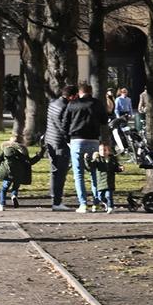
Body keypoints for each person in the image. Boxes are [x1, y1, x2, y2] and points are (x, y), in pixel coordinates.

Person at [61, 82, 107, 212]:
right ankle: (96, 202)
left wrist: (67, 139)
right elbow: (104, 120)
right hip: (93, 141)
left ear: (79, 92)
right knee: (94, 173)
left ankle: (83, 204)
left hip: (77, 140)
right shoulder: (97, 103)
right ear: (91, 91)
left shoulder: (72, 104)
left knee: (79, 174)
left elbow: (65, 124)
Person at [44, 86, 76, 211]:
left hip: (50, 140)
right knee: (61, 173)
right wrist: (70, 140)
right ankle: (57, 201)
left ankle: (54, 198)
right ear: (71, 96)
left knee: (54, 171)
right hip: (60, 144)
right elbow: (63, 127)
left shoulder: (53, 103)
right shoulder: (65, 107)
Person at [0, 135, 43, 211]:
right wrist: (38, 156)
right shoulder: (22, 152)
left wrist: (2, 162)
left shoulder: (5, 150)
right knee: (15, 186)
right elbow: (30, 162)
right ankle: (14, 195)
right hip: (19, 173)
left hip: (8, 173)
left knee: (4, 189)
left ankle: (2, 205)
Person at [85, 144, 123, 213]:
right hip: (100, 182)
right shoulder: (98, 160)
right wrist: (87, 159)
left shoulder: (112, 160)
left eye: (105, 150)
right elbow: (90, 166)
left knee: (109, 195)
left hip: (109, 182)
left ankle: (110, 207)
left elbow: (116, 168)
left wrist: (120, 169)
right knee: (100, 197)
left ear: (109, 151)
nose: (103, 152)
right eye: (101, 150)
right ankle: (106, 203)